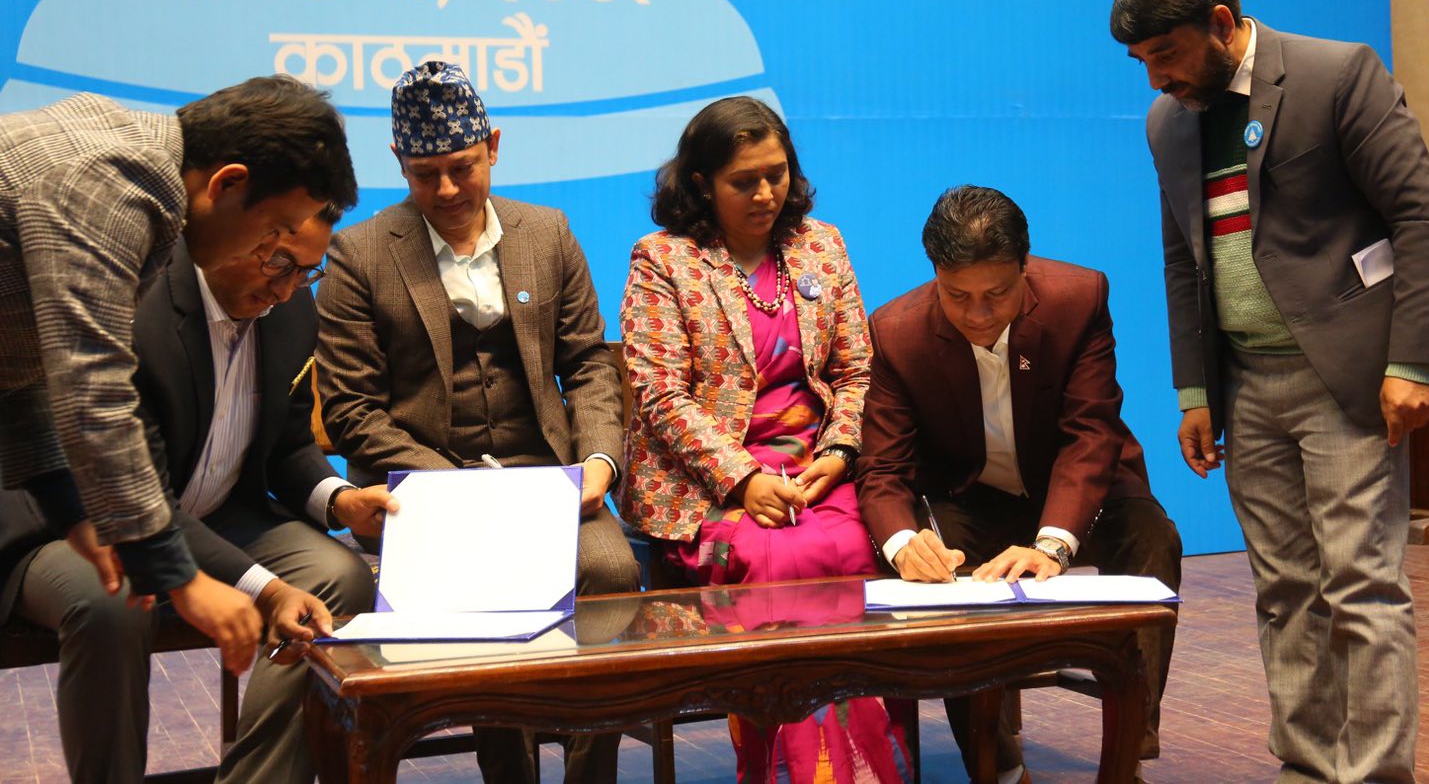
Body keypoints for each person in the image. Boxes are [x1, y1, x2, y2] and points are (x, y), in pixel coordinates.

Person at [1110, 0, 1429, 784]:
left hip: (1351, 379)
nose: (1157, 79)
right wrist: (1195, 390)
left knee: (1360, 585)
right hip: (1247, 388)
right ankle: (1308, 769)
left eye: (1166, 54)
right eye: (1142, 63)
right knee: (1284, 592)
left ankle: (1373, 774)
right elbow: (1182, 260)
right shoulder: (1168, 123)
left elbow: (1423, 218)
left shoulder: (1336, 74)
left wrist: (1412, 361)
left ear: (1221, 24)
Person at [316, 60, 637, 784]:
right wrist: (459, 493)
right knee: (492, 582)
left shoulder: (547, 233)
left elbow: (590, 365)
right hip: (425, 487)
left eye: (462, 168)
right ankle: (508, 771)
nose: (447, 190)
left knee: (613, 571)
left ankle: (591, 772)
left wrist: (598, 462)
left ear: (493, 146)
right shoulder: (359, 254)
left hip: (545, 476)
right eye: (425, 175)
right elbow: (350, 409)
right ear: (398, 162)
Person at [0, 207, 393, 783]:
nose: (287, 289)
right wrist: (266, 588)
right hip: (78, 522)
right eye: (280, 264)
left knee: (337, 576)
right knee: (115, 598)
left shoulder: (289, 308)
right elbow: (138, 494)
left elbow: (287, 445)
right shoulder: (134, 305)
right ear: (235, 225)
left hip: (217, 514)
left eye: (306, 271)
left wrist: (340, 501)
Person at [0, 76, 359, 675]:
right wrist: (180, 577)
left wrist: (75, 512)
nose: (273, 252)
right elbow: (92, 394)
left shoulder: (129, 162)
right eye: (274, 230)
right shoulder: (113, 184)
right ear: (228, 183)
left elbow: (20, 369)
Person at [619, 96, 908, 784]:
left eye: (776, 175)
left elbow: (858, 370)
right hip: (710, 490)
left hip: (817, 472)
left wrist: (839, 453)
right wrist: (744, 480)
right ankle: (795, 772)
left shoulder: (821, 244)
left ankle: (867, 768)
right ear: (701, 184)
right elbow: (660, 395)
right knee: (780, 557)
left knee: (866, 545)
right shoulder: (664, 260)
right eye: (743, 181)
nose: (765, 193)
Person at [858, 185, 1182, 784]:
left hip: (1074, 487)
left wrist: (1053, 545)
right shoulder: (897, 331)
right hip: (969, 495)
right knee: (935, 572)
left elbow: (1091, 434)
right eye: (958, 296)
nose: (979, 315)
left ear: (1025, 268)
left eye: (997, 294)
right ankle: (999, 765)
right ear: (935, 274)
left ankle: (1128, 747)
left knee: (1152, 537)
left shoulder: (1079, 299)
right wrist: (903, 546)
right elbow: (881, 470)